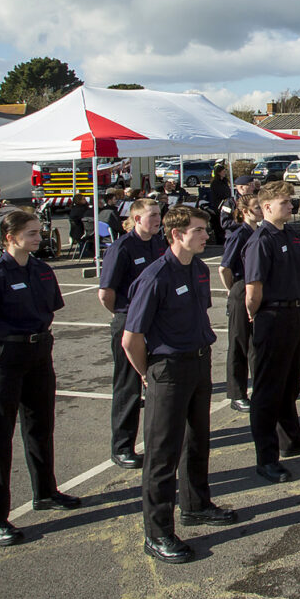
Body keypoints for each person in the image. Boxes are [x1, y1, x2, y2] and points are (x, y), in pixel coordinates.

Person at [121, 205, 236, 564]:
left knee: (197, 440)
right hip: (167, 370)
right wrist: (147, 375)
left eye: (205, 230)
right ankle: (157, 533)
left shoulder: (199, 270)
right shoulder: (155, 276)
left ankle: (196, 505)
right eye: (199, 230)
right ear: (176, 235)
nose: (206, 236)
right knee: (161, 454)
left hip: (198, 362)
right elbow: (131, 338)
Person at [0, 208, 79, 547]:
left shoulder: (41, 270)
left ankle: (45, 492)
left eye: (38, 232)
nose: (38, 238)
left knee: (40, 427)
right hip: (2, 359)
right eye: (31, 234)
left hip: (38, 353)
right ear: (10, 238)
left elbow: (49, 312)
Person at [244, 181, 300, 485]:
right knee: (267, 391)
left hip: (295, 312)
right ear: (267, 207)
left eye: (291, 201)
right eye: (285, 202)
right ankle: (266, 458)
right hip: (272, 315)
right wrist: (256, 315)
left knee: (291, 383)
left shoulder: (291, 234)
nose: (292, 206)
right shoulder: (260, 240)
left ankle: (291, 439)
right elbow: (253, 291)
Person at [98, 198, 168, 470]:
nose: (157, 219)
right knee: (128, 386)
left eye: (158, 214)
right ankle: (122, 446)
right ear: (136, 218)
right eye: (151, 215)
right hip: (130, 321)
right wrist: (124, 316)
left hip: (155, 321)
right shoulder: (122, 248)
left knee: (156, 380)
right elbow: (106, 294)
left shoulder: (157, 243)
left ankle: (157, 438)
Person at [220, 193, 261, 412]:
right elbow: (224, 268)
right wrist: (233, 291)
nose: (260, 210)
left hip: (256, 288)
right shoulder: (239, 234)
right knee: (238, 342)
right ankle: (236, 393)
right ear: (245, 211)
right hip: (241, 287)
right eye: (256, 207)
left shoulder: (259, 232)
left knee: (255, 343)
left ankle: (258, 386)